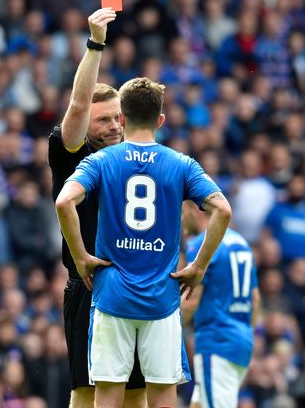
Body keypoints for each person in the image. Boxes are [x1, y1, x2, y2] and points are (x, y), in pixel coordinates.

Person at [56, 77, 232, 407]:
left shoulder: (101, 161)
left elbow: (64, 202)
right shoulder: (182, 164)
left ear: (121, 118)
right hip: (162, 299)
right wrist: (198, 267)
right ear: (160, 120)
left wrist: (81, 257)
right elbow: (222, 209)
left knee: (107, 395)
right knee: (162, 395)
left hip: (111, 296)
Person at [47, 8, 146, 407]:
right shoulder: (72, 152)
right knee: (86, 397)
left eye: (117, 118)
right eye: (103, 120)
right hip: (89, 289)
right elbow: (76, 107)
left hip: (135, 287)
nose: (114, 126)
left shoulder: (137, 159)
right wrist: (96, 44)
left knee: (136, 395)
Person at [180, 200, 260, 408]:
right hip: (241, 342)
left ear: (192, 209)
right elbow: (255, 297)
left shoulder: (201, 244)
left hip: (217, 342)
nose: (180, 220)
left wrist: (165, 328)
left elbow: (191, 301)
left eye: (181, 212)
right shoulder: (241, 242)